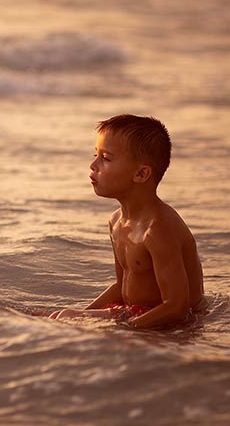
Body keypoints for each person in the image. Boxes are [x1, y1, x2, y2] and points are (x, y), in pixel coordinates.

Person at [49, 114, 204, 329]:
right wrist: (83, 314)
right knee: (57, 317)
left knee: (64, 318)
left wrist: (128, 328)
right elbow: (122, 286)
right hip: (137, 313)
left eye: (106, 158)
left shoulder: (159, 229)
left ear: (141, 173)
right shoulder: (116, 222)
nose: (93, 165)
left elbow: (177, 306)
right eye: (95, 154)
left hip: (174, 324)